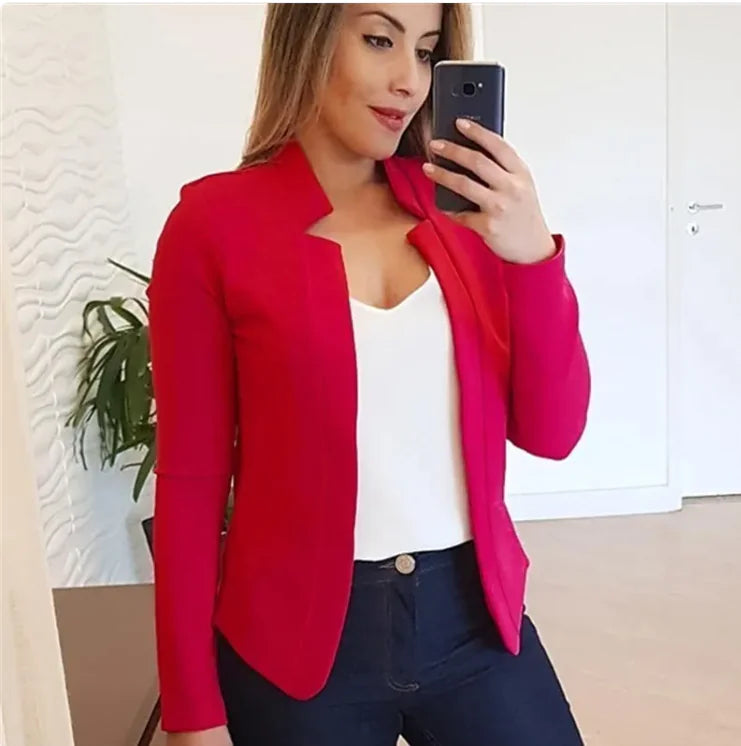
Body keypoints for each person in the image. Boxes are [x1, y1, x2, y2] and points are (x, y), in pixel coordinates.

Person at [147, 4, 591, 745]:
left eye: (426, 52)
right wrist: (192, 713)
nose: (408, 81)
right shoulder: (212, 226)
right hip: (295, 646)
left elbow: (553, 432)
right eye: (379, 40)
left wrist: (532, 257)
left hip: (474, 622)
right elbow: (191, 482)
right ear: (308, 36)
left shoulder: (468, 215)